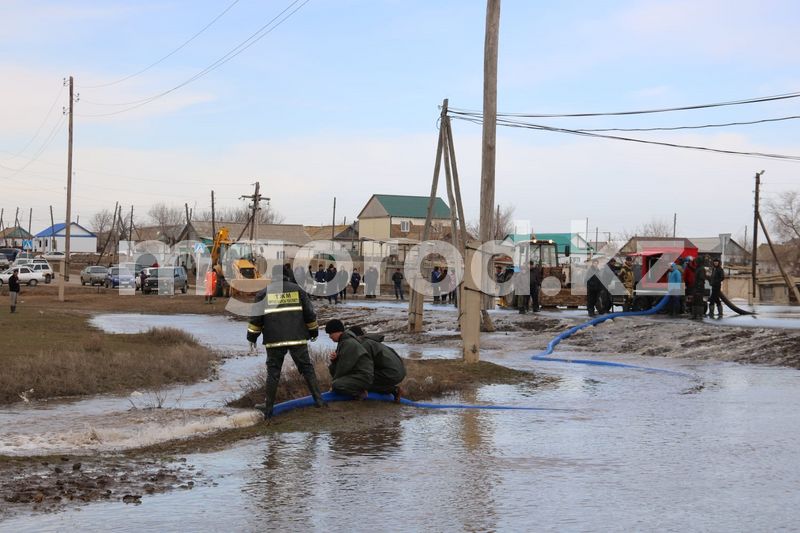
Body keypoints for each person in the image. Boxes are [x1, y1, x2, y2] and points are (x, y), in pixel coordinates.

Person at [246, 264, 325, 420]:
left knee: (273, 374)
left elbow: (256, 320)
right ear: (287, 275)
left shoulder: (263, 294)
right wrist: (314, 332)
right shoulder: (298, 290)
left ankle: (268, 410)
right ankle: (319, 401)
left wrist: (252, 338)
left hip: (274, 341)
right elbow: (310, 314)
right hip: (297, 338)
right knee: (307, 369)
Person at [347, 326, 406, 401]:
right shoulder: (373, 342)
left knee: (361, 381)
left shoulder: (364, 345)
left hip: (391, 373)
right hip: (400, 372)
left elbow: (364, 367)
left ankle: (394, 390)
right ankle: (394, 390)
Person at [325, 319, 374, 399]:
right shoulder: (343, 342)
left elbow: (343, 368)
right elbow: (336, 371)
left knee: (337, 385)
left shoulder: (349, 343)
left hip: (363, 377)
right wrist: (334, 360)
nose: (330, 337)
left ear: (337, 331)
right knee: (336, 384)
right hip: (356, 376)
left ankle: (360, 393)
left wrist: (333, 385)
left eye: (330, 333)